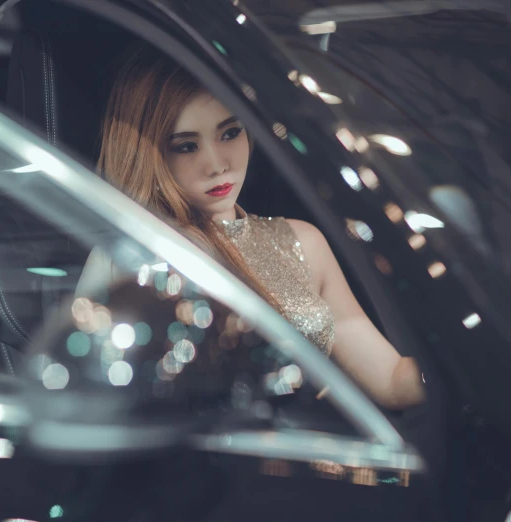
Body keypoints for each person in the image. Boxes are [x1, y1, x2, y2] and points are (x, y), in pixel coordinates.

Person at [79, 46, 425, 410]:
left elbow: (389, 379)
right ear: (148, 153)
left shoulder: (302, 241)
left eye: (230, 133)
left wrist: (482, 366)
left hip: (317, 452)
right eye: (186, 146)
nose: (216, 165)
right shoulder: (136, 253)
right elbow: (93, 400)